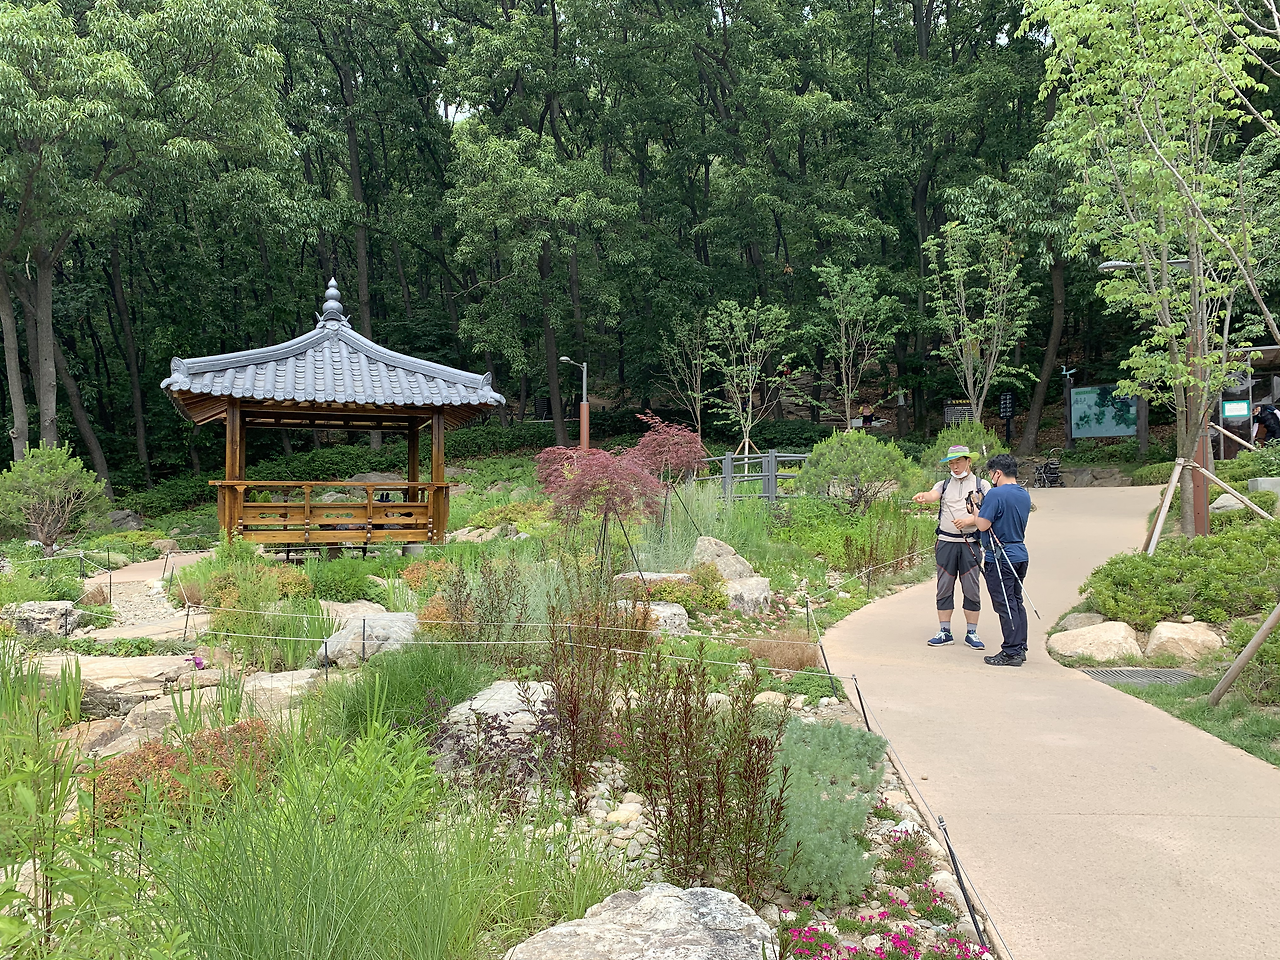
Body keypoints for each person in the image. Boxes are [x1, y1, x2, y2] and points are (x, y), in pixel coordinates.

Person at [911, 445, 991, 650]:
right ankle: (944, 631)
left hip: (970, 543)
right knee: (944, 586)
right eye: (951, 463)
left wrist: (968, 521)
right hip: (946, 542)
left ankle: (972, 632)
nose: (955, 466)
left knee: (971, 588)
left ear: (968, 461)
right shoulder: (944, 484)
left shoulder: (982, 485)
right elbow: (932, 495)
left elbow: (988, 513)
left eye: (959, 462)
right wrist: (923, 496)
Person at [973, 453, 1033, 667]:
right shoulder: (1024, 494)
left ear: (997, 473)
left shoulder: (996, 494)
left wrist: (976, 509)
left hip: (1000, 557)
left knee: (1005, 604)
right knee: (1016, 601)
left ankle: (1011, 651)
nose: (991, 478)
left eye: (991, 474)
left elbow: (982, 525)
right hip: (1019, 553)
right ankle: (1020, 647)